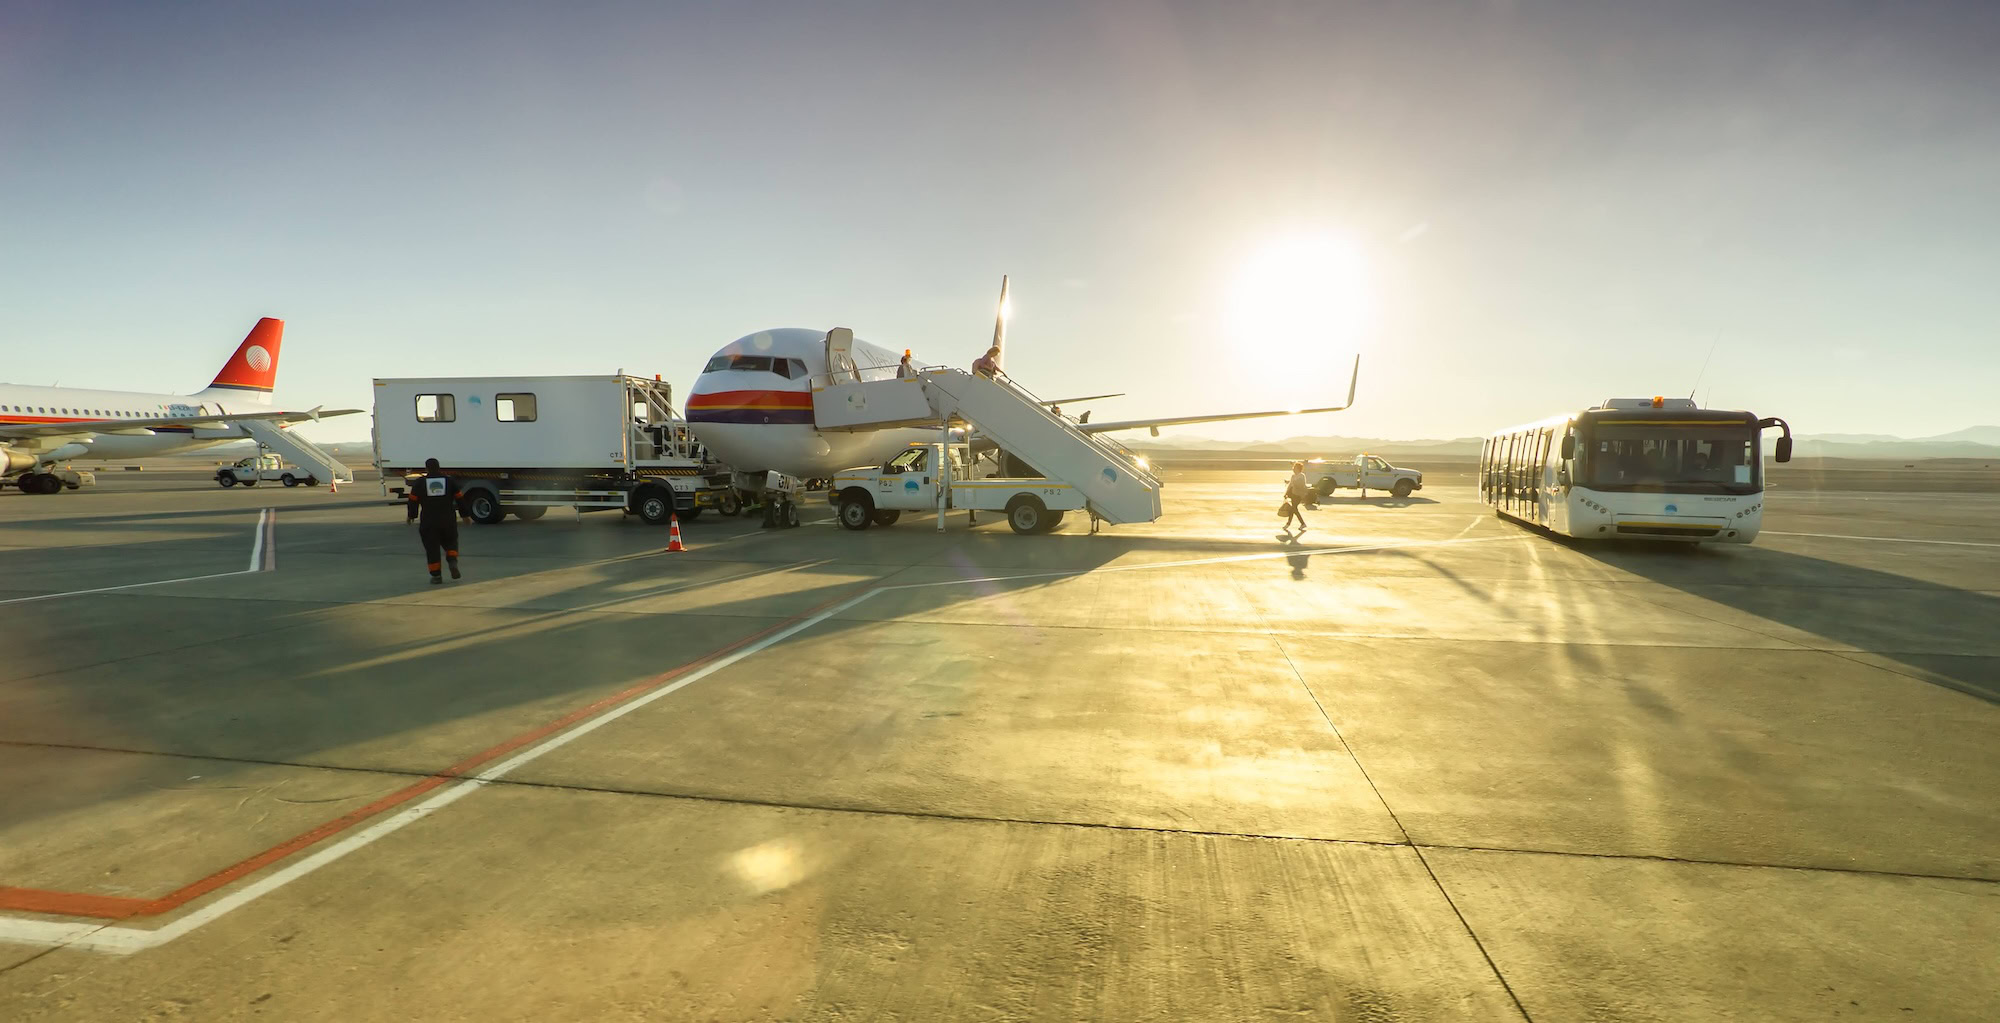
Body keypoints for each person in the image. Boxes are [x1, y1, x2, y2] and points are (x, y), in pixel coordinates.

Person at [407, 457, 463, 584]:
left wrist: (411, 516)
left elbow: (413, 501)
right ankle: (452, 561)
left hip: (429, 521)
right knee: (451, 542)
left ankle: (436, 576)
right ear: (439, 467)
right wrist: (465, 515)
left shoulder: (420, 483)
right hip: (448, 519)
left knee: (432, 549)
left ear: (426, 468)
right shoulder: (449, 481)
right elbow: (460, 498)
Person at [1282, 460, 1310, 534]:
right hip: (1293, 494)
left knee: (1293, 509)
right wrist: (1286, 493)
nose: (1293, 469)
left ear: (1298, 469)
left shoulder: (1302, 476)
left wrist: (1294, 483)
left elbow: (1301, 485)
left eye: (1294, 468)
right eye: (1293, 468)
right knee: (1293, 509)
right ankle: (1300, 524)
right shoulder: (1293, 476)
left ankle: (1290, 524)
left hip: (1299, 495)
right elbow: (1290, 485)